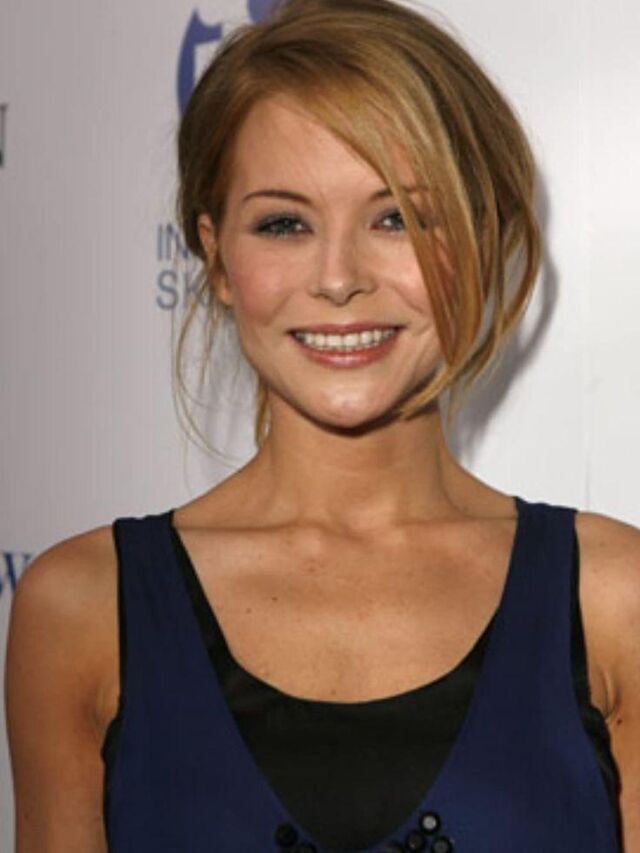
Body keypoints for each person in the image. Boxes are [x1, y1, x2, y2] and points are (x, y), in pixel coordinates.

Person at [6, 0, 640, 850]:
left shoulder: (614, 599)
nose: (338, 278)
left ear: (483, 241)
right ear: (217, 256)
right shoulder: (82, 607)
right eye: (285, 223)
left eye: (397, 217)